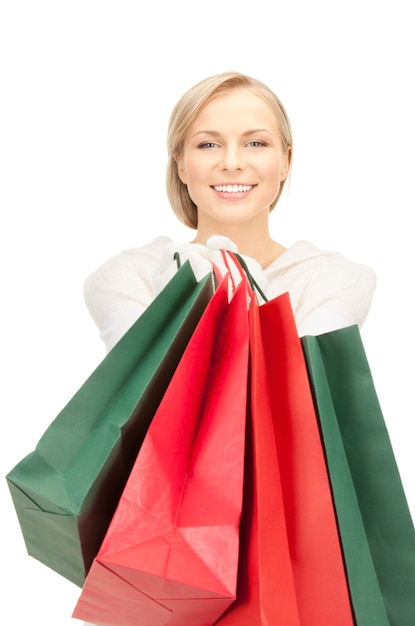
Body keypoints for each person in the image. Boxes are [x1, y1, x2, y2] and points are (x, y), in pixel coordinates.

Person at [84, 71, 376, 353]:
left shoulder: (334, 278)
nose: (232, 162)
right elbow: (150, 384)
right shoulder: (129, 276)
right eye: (208, 144)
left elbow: (300, 388)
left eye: (255, 143)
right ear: (181, 165)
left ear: (286, 160)